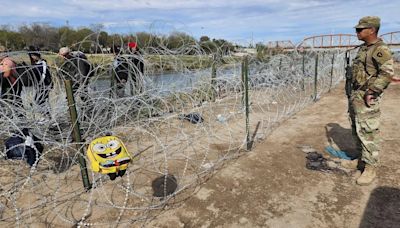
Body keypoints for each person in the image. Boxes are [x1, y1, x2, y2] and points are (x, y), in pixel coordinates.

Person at [341, 16, 394, 185]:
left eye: (360, 29)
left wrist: (373, 91)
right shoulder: (364, 48)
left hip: (367, 96)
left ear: (371, 30)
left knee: (368, 132)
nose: (357, 32)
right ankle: (361, 160)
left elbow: (386, 73)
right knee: (357, 128)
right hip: (357, 94)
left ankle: (371, 168)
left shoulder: (380, 49)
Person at [58, 47, 94, 120]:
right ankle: (73, 115)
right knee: (70, 98)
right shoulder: (67, 61)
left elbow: (82, 73)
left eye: (65, 55)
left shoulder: (78, 60)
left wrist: (81, 84)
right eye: (62, 55)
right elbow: (65, 72)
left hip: (80, 83)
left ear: (69, 53)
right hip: (73, 83)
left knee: (83, 97)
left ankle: (87, 113)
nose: (64, 57)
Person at [29, 50, 53, 118]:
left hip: (44, 85)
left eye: (33, 56)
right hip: (40, 85)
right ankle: (47, 116)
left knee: (40, 101)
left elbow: (44, 74)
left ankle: (46, 117)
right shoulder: (37, 64)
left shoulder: (42, 64)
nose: (32, 57)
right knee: (41, 101)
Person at [0, 46, 23, 114]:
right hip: (6, 85)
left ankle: (13, 117)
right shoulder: (3, 61)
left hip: (10, 86)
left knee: (10, 103)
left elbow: (7, 74)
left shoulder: (7, 62)